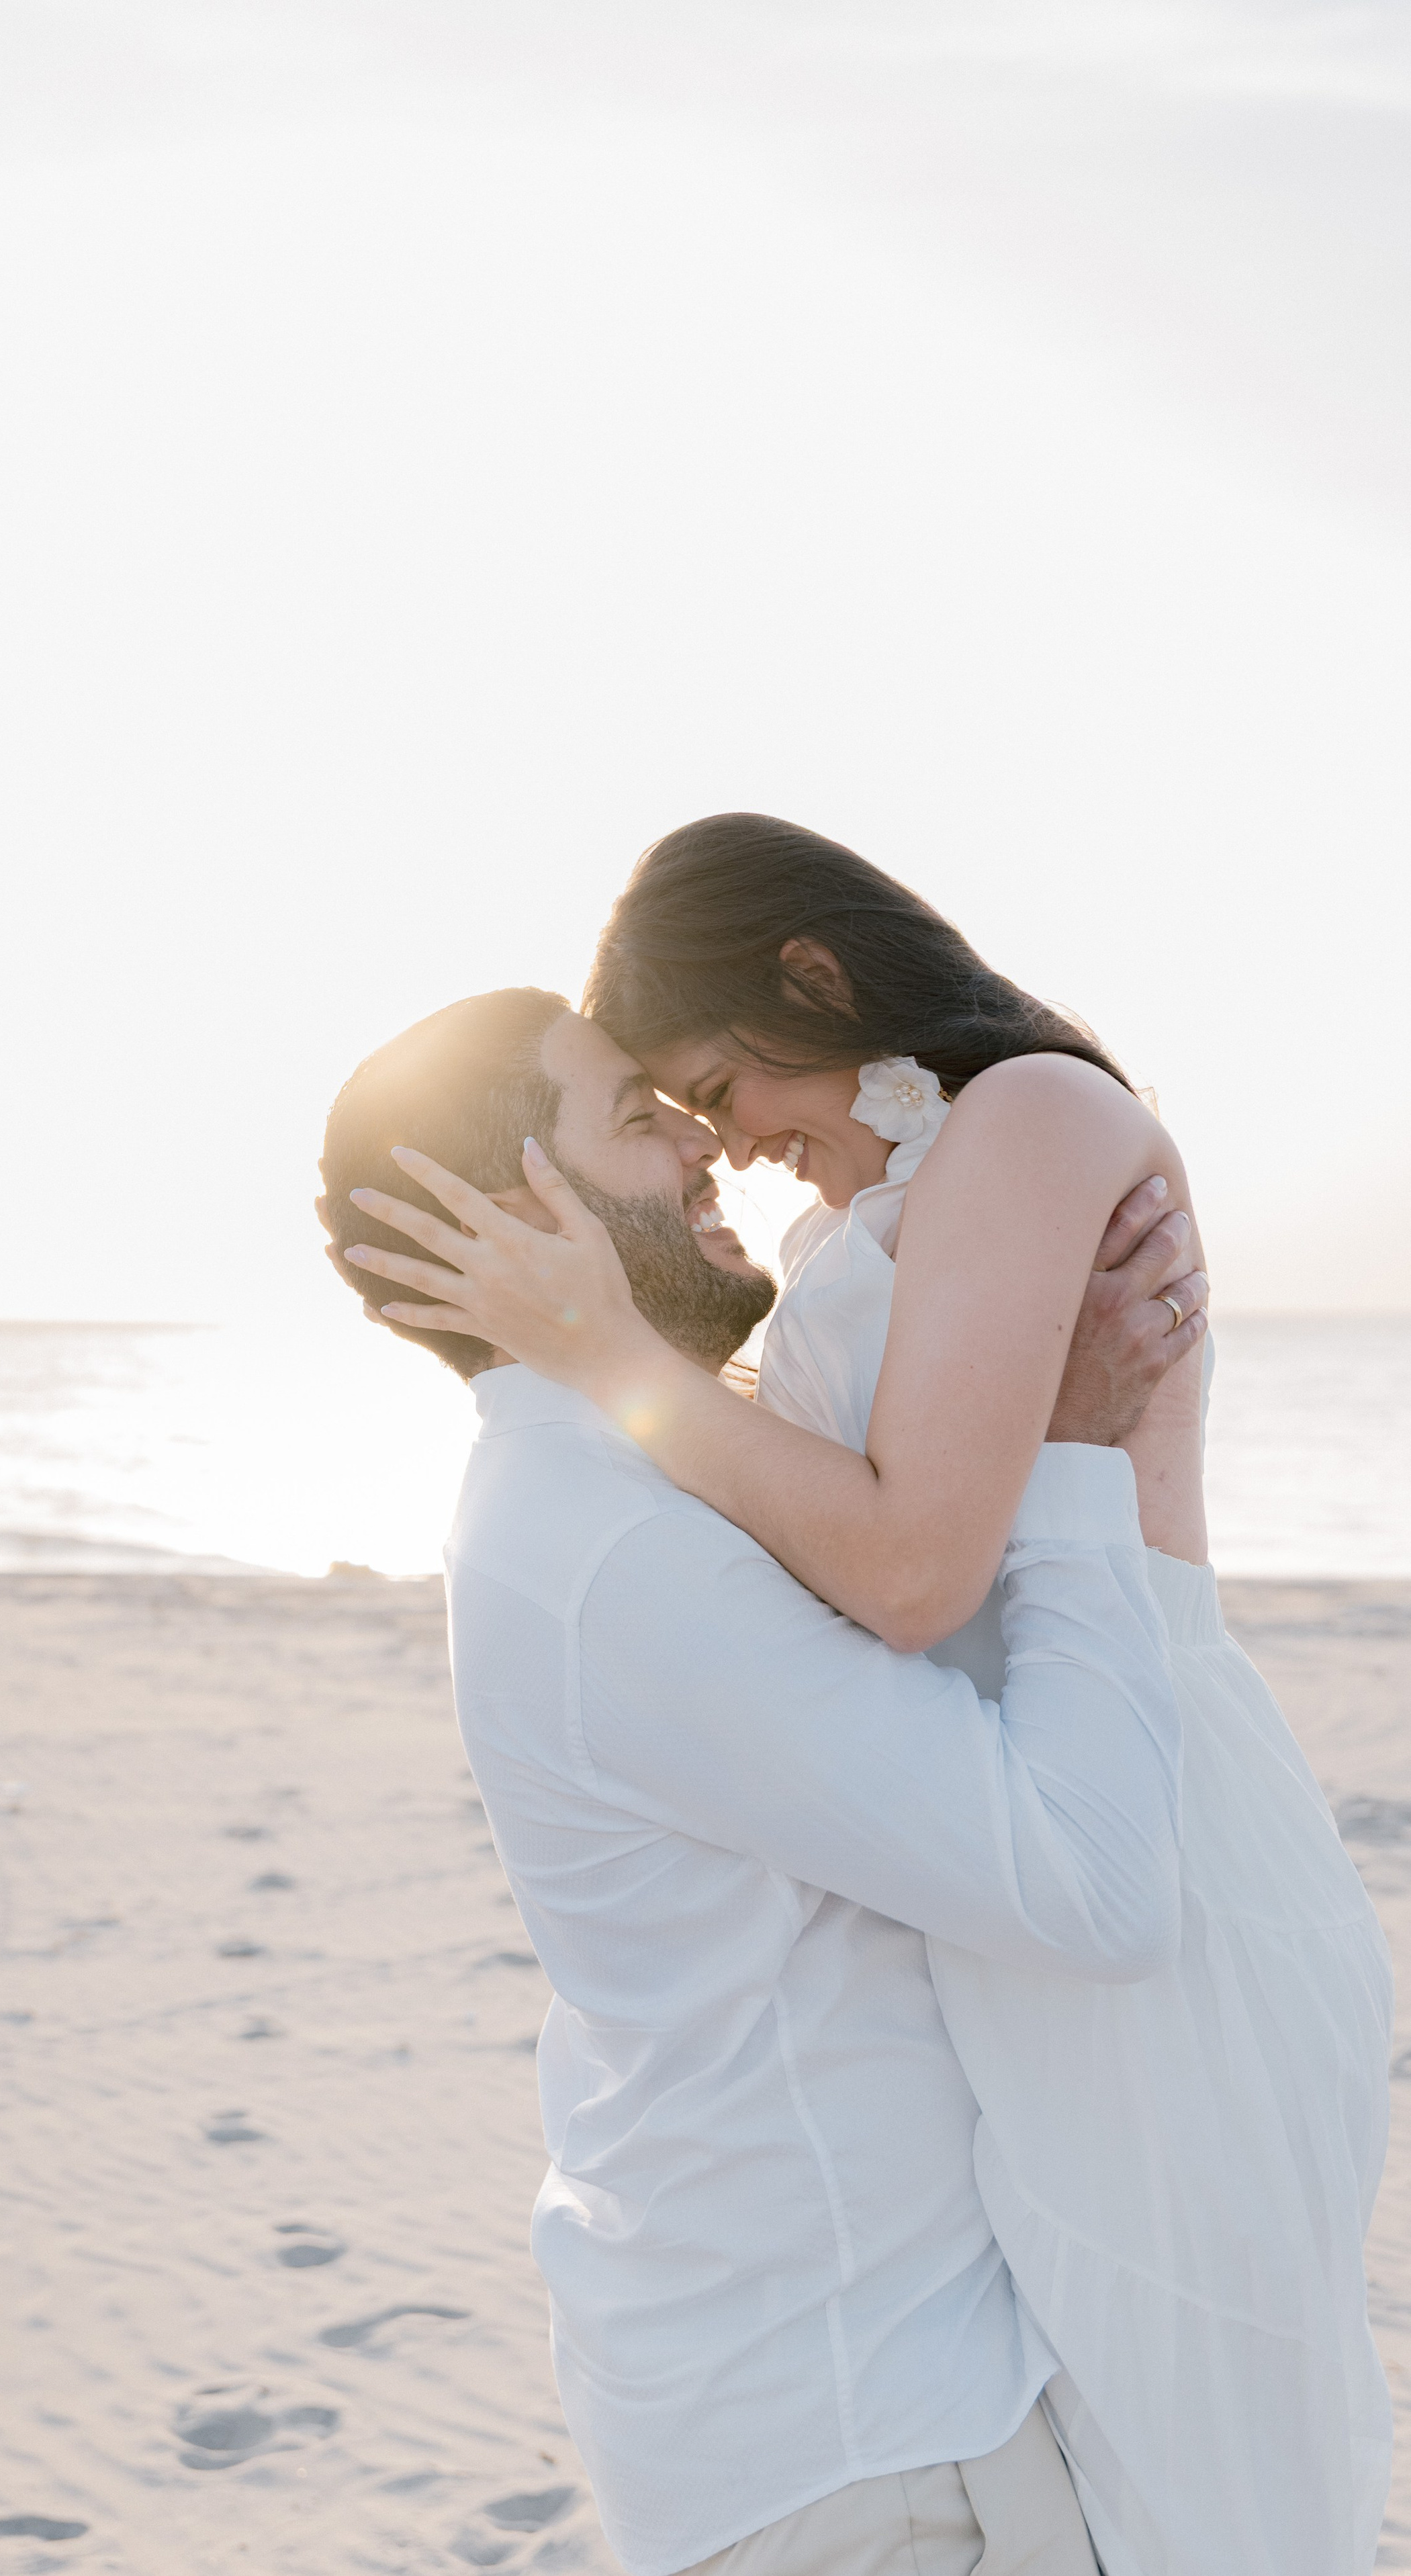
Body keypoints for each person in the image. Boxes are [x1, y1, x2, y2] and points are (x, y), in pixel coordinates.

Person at [343, 820, 1394, 2576]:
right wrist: (605, 1349)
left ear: (813, 978)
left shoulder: (1031, 1121)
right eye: (659, 1108)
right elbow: (892, 1556)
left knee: (1205, 2457)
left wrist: (605, 1347)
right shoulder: (663, 1427)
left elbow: (910, 1571)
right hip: (1033, 1837)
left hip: (1132, 1793)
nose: (720, 1139)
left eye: (711, 1082)